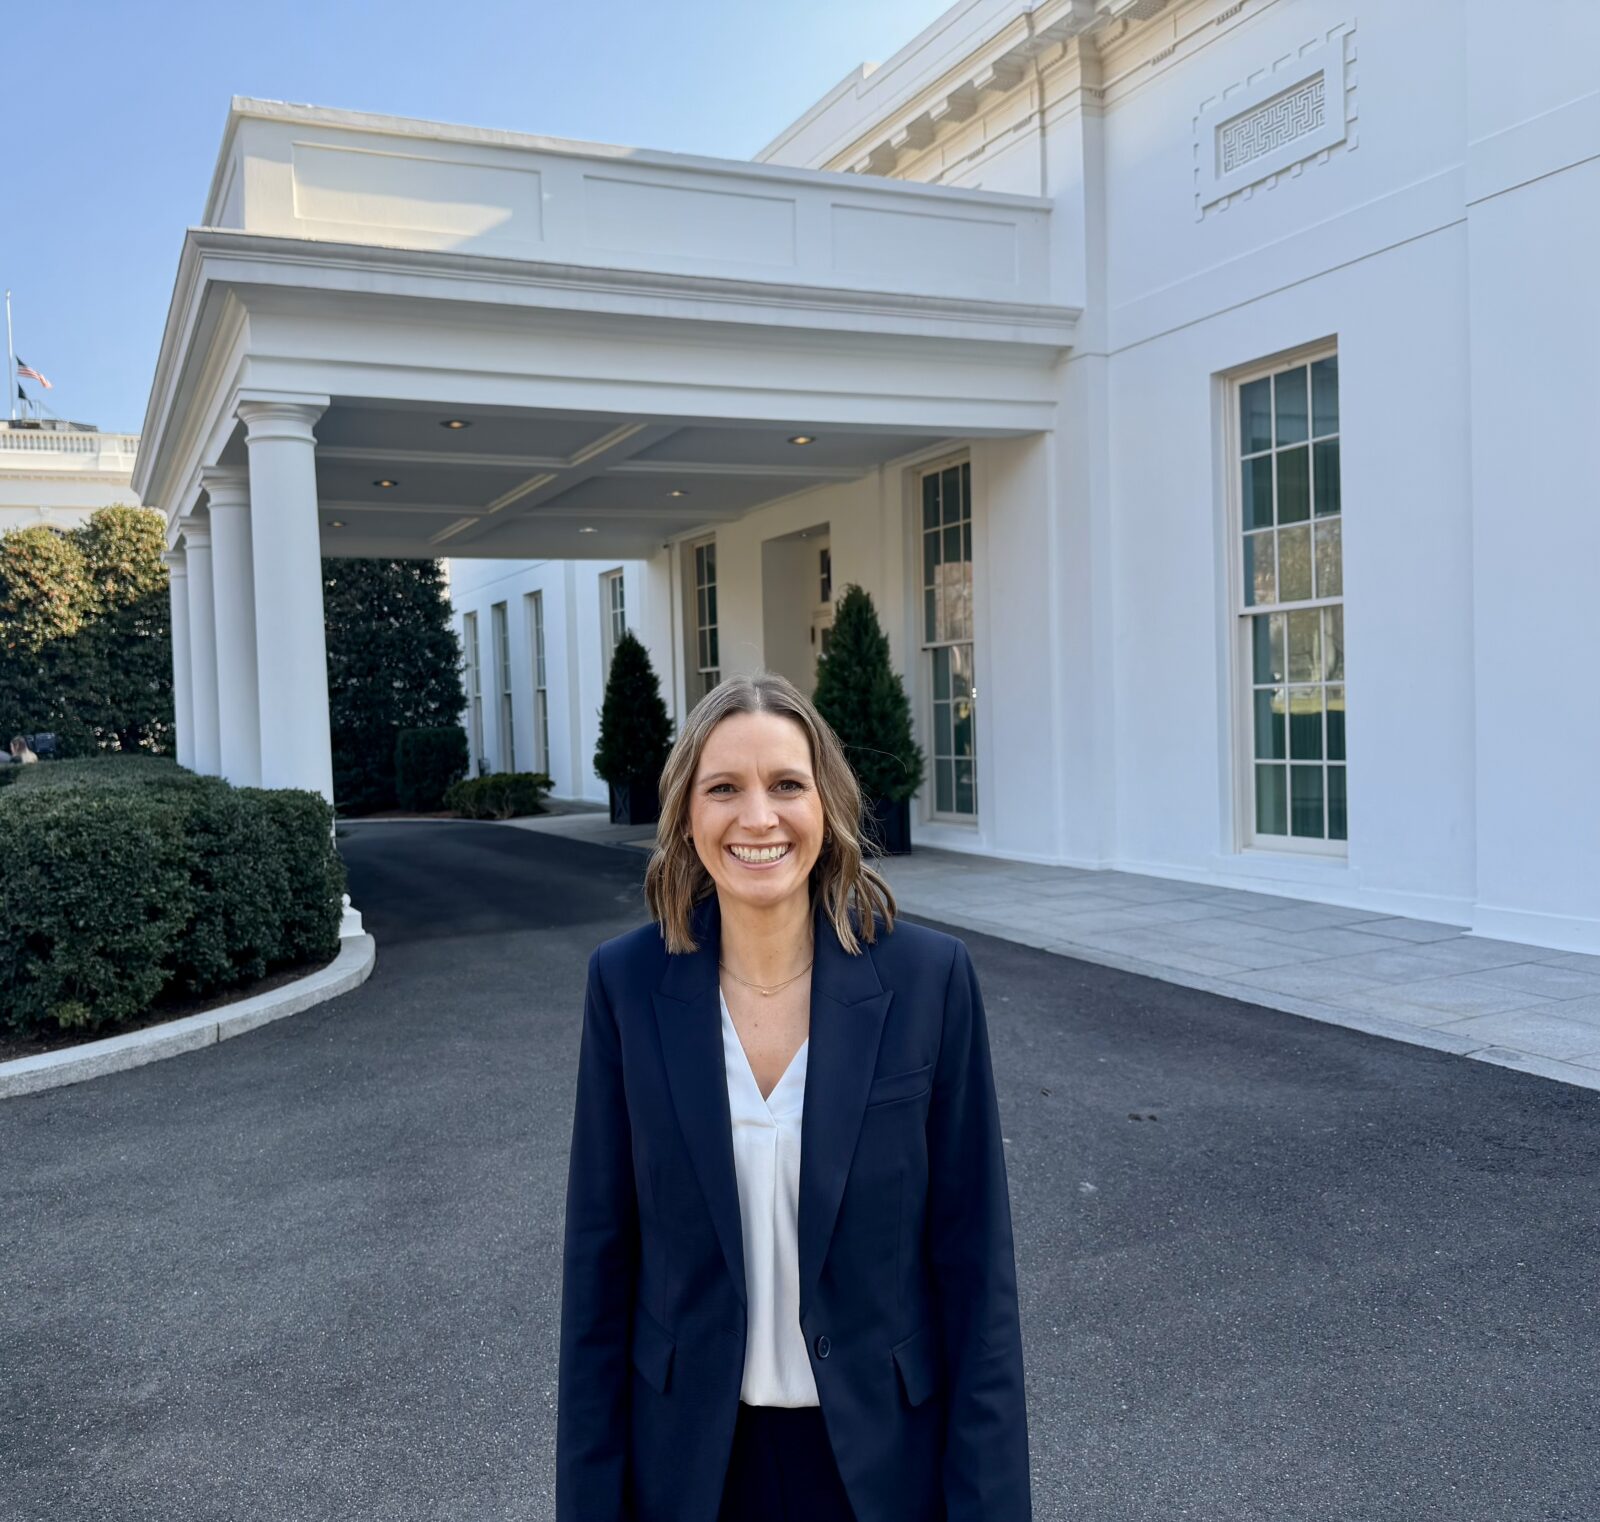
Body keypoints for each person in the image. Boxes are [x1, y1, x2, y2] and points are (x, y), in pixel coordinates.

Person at [557, 671, 1030, 1522]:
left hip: (882, 1469)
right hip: (690, 1472)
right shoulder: (624, 986)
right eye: (723, 789)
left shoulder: (929, 982)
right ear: (686, 815)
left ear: (827, 804)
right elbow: (600, 1270)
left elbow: (976, 1274)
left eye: (786, 785)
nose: (758, 817)